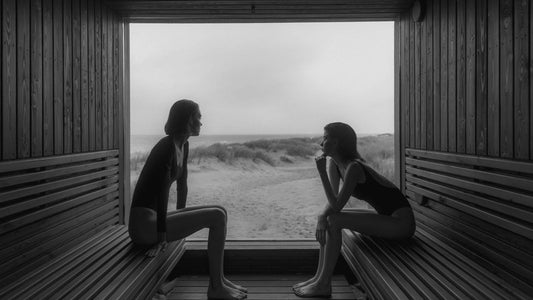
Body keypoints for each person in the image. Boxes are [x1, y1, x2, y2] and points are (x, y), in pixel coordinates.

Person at [128, 100, 247, 300]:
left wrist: (181, 215)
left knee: (221, 210)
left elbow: (182, 185)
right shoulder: (165, 147)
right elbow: (162, 191)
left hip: (155, 218)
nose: (201, 122)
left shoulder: (183, 144)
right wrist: (163, 236)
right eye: (198, 117)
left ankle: (220, 281)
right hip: (143, 226)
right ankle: (216, 288)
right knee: (216, 216)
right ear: (186, 119)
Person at [293, 122, 415, 298]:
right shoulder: (334, 164)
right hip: (386, 218)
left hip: (401, 224)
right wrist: (321, 216)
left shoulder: (354, 167)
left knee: (334, 220)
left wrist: (321, 174)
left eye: (325, 138)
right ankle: (318, 278)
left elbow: (336, 205)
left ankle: (324, 284)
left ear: (337, 142)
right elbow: (333, 201)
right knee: (329, 218)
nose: (321, 143)